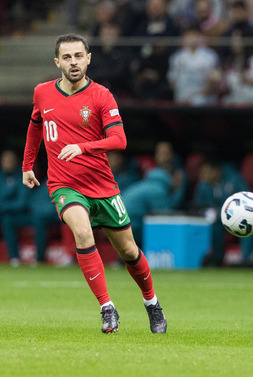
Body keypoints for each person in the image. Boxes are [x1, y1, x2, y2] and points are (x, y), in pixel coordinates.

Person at [21, 33, 167, 334]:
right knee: (83, 232)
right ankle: (107, 308)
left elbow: (120, 140)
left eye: (78, 56)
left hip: (102, 185)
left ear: (89, 58)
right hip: (64, 184)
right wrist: (27, 166)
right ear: (57, 62)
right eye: (67, 57)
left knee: (129, 251)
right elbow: (35, 127)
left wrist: (83, 147)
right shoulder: (42, 93)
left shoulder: (101, 95)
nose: (73, 62)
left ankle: (151, 302)